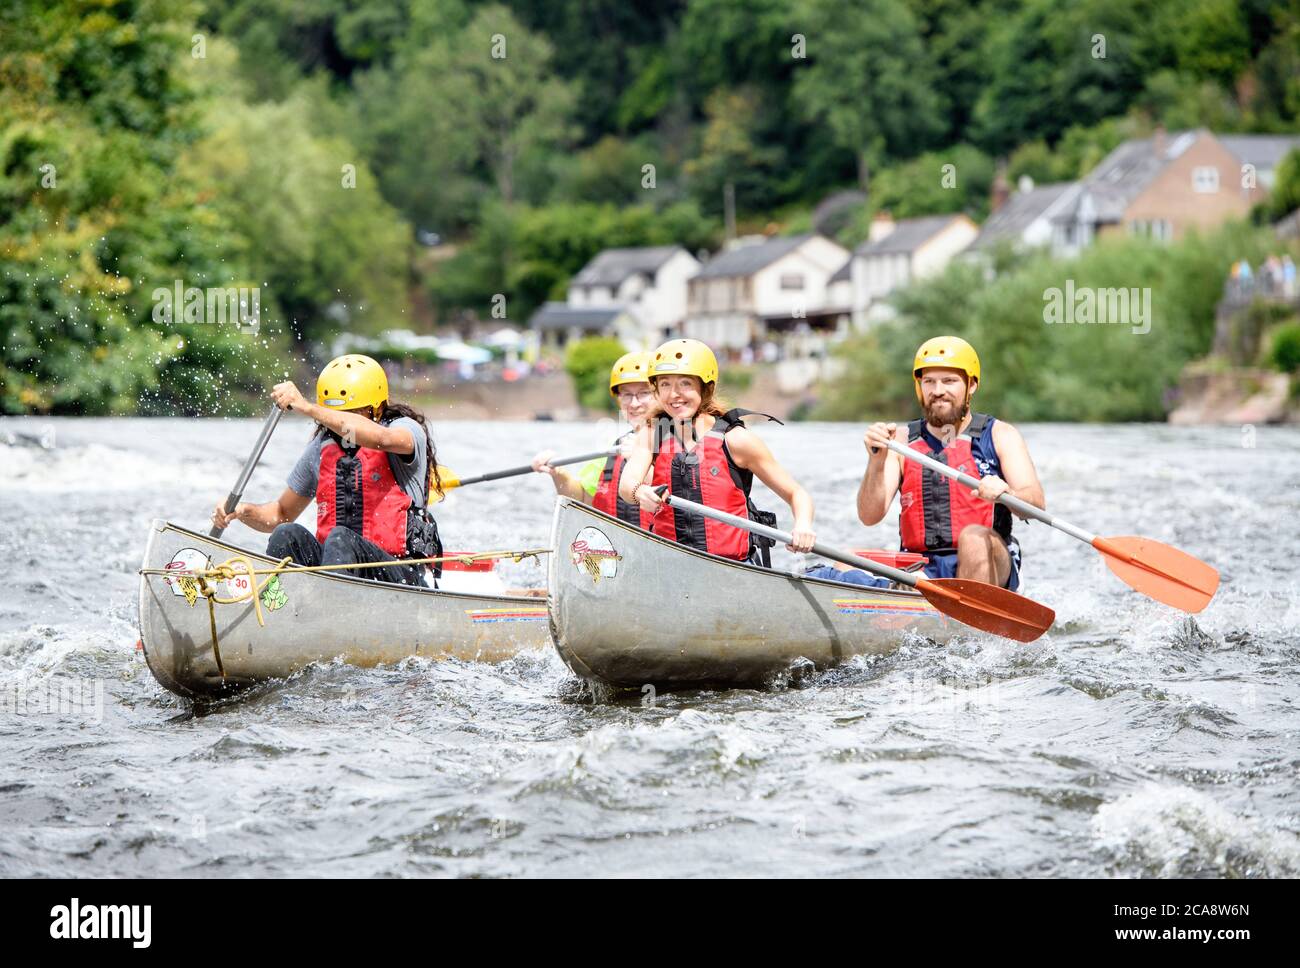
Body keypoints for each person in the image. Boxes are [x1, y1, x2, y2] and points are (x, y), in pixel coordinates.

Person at [210, 354, 443, 586]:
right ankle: (279, 605)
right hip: (336, 572)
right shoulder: (321, 449)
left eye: (353, 413)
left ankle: (329, 608)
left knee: (340, 537)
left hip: (398, 575)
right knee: (286, 534)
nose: (341, 423)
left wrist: (307, 408)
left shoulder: (404, 431)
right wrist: (241, 510)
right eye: (337, 415)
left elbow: (380, 438)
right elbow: (280, 513)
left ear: (377, 408)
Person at [853, 336, 1044, 590]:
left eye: (949, 381)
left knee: (973, 539)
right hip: (923, 567)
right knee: (850, 561)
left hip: (990, 561)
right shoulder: (899, 440)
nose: (937, 390)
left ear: (971, 385)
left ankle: (973, 617)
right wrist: (876, 461)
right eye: (929, 381)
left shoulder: (1000, 435)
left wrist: (1007, 493)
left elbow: (1036, 503)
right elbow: (869, 516)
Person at [618, 338, 815, 563]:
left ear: (706, 388)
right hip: (668, 564)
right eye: (664, 384)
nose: (673, 394)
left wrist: (803, 526)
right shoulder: (653, 433)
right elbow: (627, 485)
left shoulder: (736, 441)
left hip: (731, 567)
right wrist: (639, 492)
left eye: (685, 384)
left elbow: (797, 494)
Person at [531, 351, 655, 526]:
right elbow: (581, 499)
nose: (634, 403)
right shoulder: (617, 449)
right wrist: (557, 472)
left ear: (660, 394)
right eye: (626, 395)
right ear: (618, 399)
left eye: (644, 393)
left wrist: (638, 458)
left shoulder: (681, 443)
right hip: (622, 549)